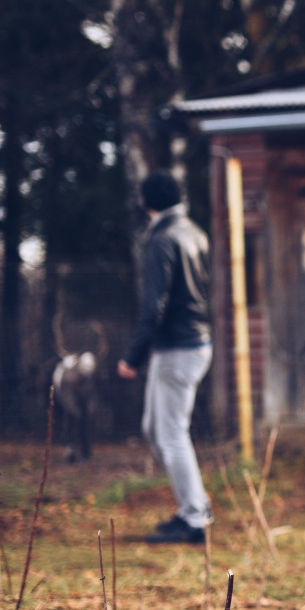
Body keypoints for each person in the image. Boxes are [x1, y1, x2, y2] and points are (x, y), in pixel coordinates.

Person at [118, 170, 214, 544]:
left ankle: (194, 520)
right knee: (157, 431)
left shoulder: (161, 238)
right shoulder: (193, 232)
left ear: (147, 202)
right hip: (191, 344)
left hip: (177, 347)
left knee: (170, 435)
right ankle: (193, 506)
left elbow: (155, 305)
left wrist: (133, 356)